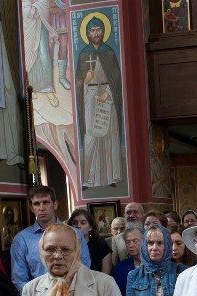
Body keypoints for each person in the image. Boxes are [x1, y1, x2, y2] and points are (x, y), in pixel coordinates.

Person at [11, 186, 90, 292]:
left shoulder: (75, 234)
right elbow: (19, 280)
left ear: (55, 204)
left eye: (46, 202)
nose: (41, 208)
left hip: (73, 293)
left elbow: (85, 267)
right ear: (31, 208)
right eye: (36, 204)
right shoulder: (21, 239)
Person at [75, 16, 123, 190]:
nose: (96, 34)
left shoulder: (109, 53)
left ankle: (111, 177)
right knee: (91, 136)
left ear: (103, 32)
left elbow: (117, 81)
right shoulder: (83, 54)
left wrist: (108, 94)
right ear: (87, 33)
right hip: (89, 96)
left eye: (98, 30)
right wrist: (86, 81)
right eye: (92, 30)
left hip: (106, 97)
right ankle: (88, 179)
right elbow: (77, 82)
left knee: (109, 135)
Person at [68, 208, 112, 275]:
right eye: (75, 223)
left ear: (90, 227)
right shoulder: (67, 246)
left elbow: (106, 275)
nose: (78, 226)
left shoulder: (100, 245)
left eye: (83, 223)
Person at [112, 224, 143, 295]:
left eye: (135, 241)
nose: (131, 245)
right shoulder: (120, 268)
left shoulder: (154, 264)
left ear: (144, 241)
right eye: (128, 242)